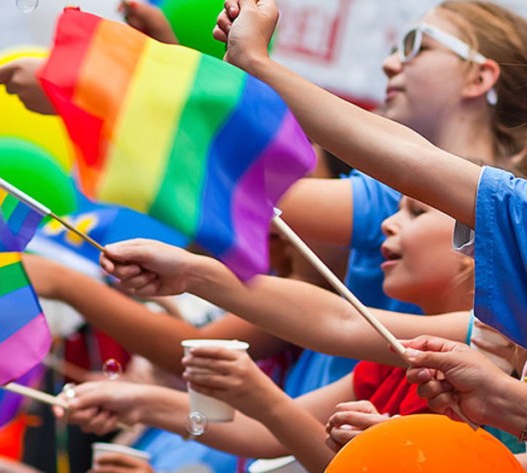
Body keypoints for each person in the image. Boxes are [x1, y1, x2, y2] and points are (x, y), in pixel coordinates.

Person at [0, 0, 527, 398]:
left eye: (415, 45)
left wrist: (102, 92)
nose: (391, 63)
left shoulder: (493, 217)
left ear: (480, 75)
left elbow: (249, 183)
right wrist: (168, 67)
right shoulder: (406, 193)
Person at [58, 193, 507, 471]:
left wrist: (196, 276)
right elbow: (263, 433)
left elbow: (338, 324)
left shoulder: (496, 344)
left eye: (415, 211)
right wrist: (136, 402)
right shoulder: (397, 357)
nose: (388, 224)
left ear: (477, 246)